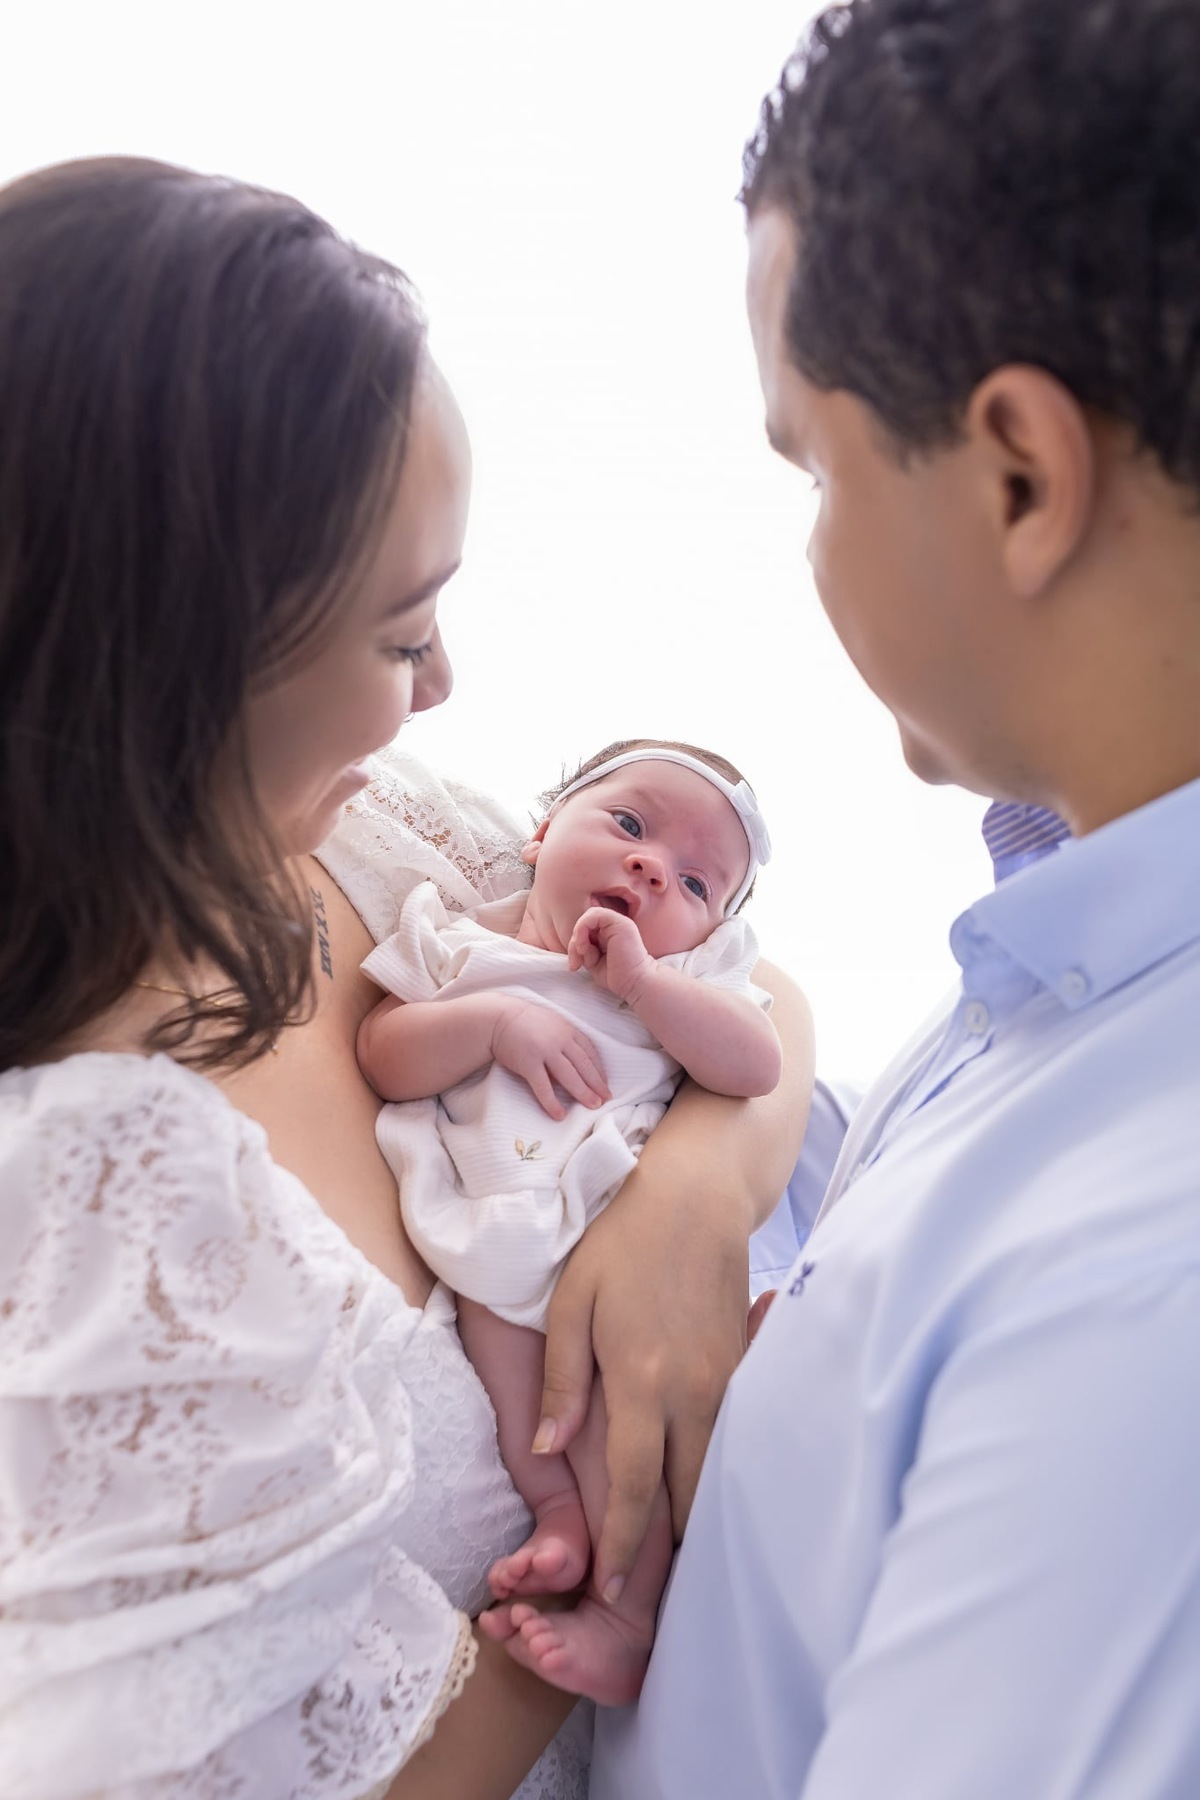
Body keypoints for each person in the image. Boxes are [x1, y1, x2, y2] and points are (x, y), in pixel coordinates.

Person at [0, 157, 815, 1799]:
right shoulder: (92, 1200)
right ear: (183, 656)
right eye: (398, 633)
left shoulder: (378, 850)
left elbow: (759, 985)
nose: (444, 683)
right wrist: (621, 1560)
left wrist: (692, 1200)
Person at [592, 1, 1200, 1794]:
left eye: (816, 469)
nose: (813, 550)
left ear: (1020, 474)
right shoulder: (1063, 946)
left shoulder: (1143, 1298)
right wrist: (709, 1170)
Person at [356, 741, 781, 1706]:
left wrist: (642, 987)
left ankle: (628, 1617)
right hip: (493, 1217)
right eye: (630, 826)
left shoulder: (686, 983)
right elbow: (383, 1052)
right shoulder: (465, 940)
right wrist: (493, 1023)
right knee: (523, 1391)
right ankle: (557, 1521)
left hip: (616, 1218)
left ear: (709, 932)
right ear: (543, 831)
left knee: (616, 1408)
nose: (649, 867)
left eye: (695, 882)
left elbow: (754, 1065)